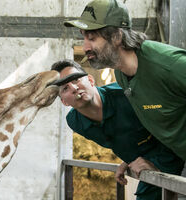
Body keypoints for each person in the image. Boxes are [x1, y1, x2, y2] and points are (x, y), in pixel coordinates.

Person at [63, 0, 186, 161]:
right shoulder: (121, 74)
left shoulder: (168, 65)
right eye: (84, 38)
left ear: (116, 36)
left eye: (92, 38)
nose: (85, 47)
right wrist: (136, 157)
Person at [51, 59, 184, 200]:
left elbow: (174, 125)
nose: (73, 88)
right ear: (64, 102)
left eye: (76, 80)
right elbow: (120, 138)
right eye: (65, 88)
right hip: (147, 159)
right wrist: (129, 159)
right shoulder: (76, 122)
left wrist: (157, 164)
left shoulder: (128, 95)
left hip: (174, 148)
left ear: (90, 80)